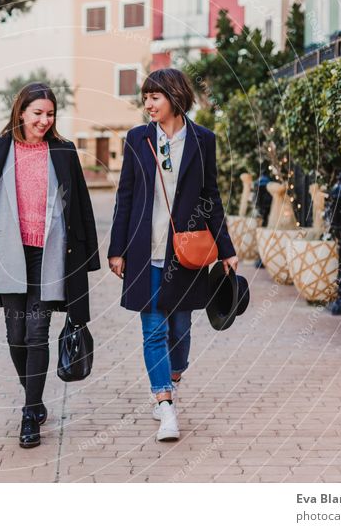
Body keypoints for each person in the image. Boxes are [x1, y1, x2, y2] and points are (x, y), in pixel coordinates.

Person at [0, 83, 101, 449]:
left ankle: (30, 411)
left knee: (37, 333)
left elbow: (80, 208)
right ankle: (32, 397)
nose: (44, 120)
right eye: (37, 113)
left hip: (49, 256)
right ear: (21, 111)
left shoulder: (64, 152)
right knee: (15, 337)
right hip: (8, 254)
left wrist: (83, 261)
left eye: (50, 114)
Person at [107, 68, 238, 442]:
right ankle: (165, 404)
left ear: (175, 97)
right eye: (145, 97)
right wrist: (117, 249)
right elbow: (125, 195)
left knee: (180, 328)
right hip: (143, 249)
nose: (148, 103)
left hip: (185, 251)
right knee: (153, 329)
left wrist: (226, 249)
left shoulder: (202, 140)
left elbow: (210, 197)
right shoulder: (137, 139)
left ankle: (173, 376)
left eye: (155, 97)